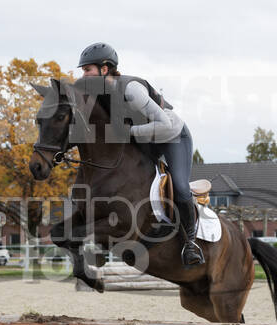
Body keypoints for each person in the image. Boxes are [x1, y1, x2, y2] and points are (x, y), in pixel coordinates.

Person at [78, 42, 204, 266]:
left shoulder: (130, 90)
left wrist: (129, 132)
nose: (83, 74)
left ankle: (190, 243)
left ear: (104, 69)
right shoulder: (99, 94)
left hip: (172, 137)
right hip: (145, 141)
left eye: (87, 69)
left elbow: (164, 125)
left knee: (181, 187)